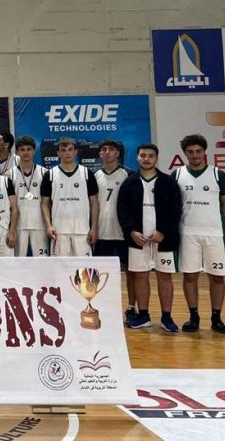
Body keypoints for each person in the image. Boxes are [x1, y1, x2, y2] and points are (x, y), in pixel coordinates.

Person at [117, 143, 182, 331]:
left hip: (164, 240)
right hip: (137, 240)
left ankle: (167, 317)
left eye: (151, 156)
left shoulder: (168, 182)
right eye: (143, 155)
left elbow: (175, 210)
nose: (147, 159)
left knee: (164, 276)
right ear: (137, 157)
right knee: (140, 276)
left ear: (156, 158)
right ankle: (143, 315)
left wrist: (163, 231)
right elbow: (122, 210)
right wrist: (131, 231)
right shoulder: (129, 183)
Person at [174, 134, 225, 334]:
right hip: (188, 233)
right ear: (185, 153)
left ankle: (216, 318)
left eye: (198, 151)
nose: (195, 155)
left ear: (205, 152)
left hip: (214, 234)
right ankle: (194, 317)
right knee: (190, 276)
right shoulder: (177, 174)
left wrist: (212, 221)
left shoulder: (218, 174)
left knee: (217, 277)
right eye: (190, 152)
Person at [93, 140, 135, 318]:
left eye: (111, 149)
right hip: (101, 233)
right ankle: (103, 306)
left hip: (123, 233)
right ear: (100, 154)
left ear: (117, 153)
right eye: (104, 149)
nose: (107, 152)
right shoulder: (94, 176)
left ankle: (131, 306)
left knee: (131, 272)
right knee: (100, 273)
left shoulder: (128, 174)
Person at [41, 137, 99, 257]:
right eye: (63, 150)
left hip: (82, 231)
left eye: (70, 149)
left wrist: (94, 227)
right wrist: (48, 225)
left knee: (84, 267)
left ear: (75, 152)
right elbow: (44, 203)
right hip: (59, 231)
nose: (67, 153)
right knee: (60, 267)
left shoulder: (87, 173)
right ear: (58, 153)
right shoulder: (50, 175)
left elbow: (94, 203)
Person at [8, 136, 48, 256]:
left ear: (34, 151)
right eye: (22, 149)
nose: (26, 152)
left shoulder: (45, 173)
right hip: (19, 225)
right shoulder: (9, 174)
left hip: (40, 224)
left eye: (29, 149)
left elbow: (48, 202)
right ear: (17, 152)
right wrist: (11, 229)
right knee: (18, 262)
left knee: (42, 261)